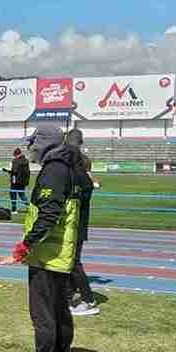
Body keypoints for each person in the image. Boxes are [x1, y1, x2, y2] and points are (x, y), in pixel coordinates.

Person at [0, 125, 81, 352]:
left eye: (33, 143)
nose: (30, 148)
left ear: (44, 143)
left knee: (45, 316)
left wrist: (23, 248)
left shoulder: (54, 170)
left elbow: (48, 215)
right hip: (61, 255)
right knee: (59, 314)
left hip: (48, 257)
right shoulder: (69, 166)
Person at [65, 129, 100, 317]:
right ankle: (70, 296)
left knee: (73, 262)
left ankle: (88, 299)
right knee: (69, 261)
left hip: (75, 223)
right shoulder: (83, 175)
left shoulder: (78, 175)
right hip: (78, 222)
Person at [7, 148, 31, 212]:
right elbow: (27, 172)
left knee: (13, 194)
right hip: (22, 181)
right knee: (22, 195)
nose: (14, 156)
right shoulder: (26, 160)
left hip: (15, 181)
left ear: (17, 154)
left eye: (15, 155)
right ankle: (30, 207)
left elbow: (15, 171)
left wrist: (8, 171)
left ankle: (14, 209)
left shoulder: (16, 161)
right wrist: (26, 182)